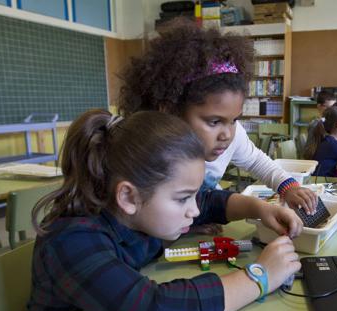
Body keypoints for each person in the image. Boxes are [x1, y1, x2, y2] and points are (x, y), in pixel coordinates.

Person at [28, 110, 303, 311]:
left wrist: (260, 208)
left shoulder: (135, 211)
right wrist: (260, 276)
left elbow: (209, 202)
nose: (194, 210)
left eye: (191, 196)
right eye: (182, 198)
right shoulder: (71, 240)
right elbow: (156, 310)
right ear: (128, 197)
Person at [118, 18, 317, 220]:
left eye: (234, 120)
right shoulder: (146, 152)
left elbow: (258, 162)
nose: (227, 134)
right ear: (171, 111)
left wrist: (289, 187)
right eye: (214, 122)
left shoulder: (231, 133)